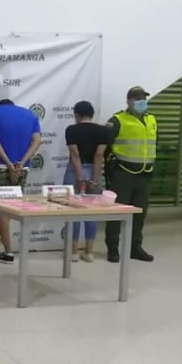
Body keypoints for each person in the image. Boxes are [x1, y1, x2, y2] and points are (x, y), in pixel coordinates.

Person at [0, 99, 42, 264]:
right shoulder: (30, 115)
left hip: (0, 166)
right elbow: (37, 141)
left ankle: (8, 252)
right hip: (22, 168)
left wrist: (8, 164)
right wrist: (21, 163)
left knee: (2, 209)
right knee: (8, 210)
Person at [104, 86, 157, 263]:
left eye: (143, 98)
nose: (141, 101)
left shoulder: (152, 120)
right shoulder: (117, 120)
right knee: (117, 213)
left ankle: (135, 248)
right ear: (128, 101)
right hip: (123, 173)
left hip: (145, 173)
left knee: (140, 214)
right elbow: (104, 146)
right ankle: (113, 249)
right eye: (137, 98)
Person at [64, 101, 110, 262]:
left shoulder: (71, 130)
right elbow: (99, 155)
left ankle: (74, 252)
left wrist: (79, 177)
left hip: (74, 170)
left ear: (77, 115)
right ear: (92, 114)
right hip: (95, 170)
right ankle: (90, 252)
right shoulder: (104, 130)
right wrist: (95, 179)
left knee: (73, 211)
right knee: (92, 211)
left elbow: (75, 155)